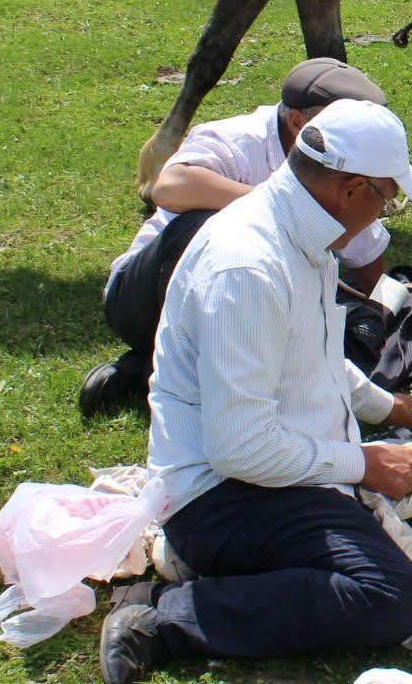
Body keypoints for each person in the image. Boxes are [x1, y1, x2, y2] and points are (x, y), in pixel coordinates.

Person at [99, 98, 412, 684]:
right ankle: (166, 612)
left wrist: (384, 409)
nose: (383, 213)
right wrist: (365, 463)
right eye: (385, 197)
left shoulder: (302, 228)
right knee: (394, 599)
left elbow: (314, 353)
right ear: (349, 190)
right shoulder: (248, 266)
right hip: (227, 496)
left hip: (303, 465)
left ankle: (311, 558)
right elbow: (241, 450)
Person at [81, 57, 391, 417]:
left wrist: (382, 309)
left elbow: (368, 261)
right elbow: (170, 186)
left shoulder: (343, 164)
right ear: (297, 122)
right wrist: (280, 206)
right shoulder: (238, 138)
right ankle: (169, 375)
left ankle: (147, 370)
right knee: (207, 226)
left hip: (241, 313)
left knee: (346, 327)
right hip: (143, 299)